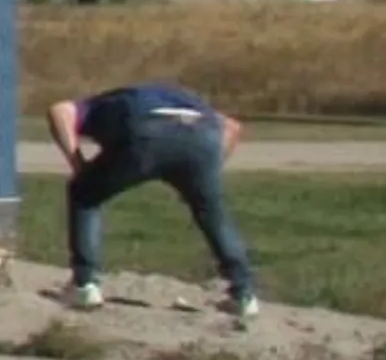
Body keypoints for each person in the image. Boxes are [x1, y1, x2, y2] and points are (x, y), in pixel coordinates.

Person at [46, 84, 256, 322]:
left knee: (84, 193)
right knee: (212, 212)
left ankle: (84, 285)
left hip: (146, 129)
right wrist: (201, 178)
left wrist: (78, 165)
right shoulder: (184, 99)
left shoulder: (99, 105)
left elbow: (59, 111)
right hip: (201, 133)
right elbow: (231, 127)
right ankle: (243, 294)